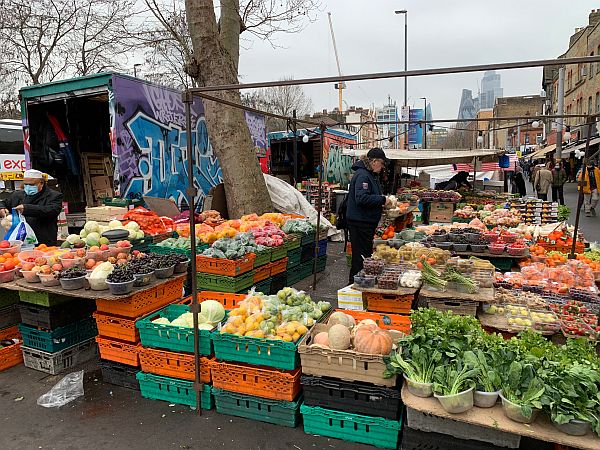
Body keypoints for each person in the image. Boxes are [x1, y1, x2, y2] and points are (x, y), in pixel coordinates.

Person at [346, 148, 390, 284]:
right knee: (361, 258)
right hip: (360, 223)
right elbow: (362, 198)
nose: (382, 167)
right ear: (374, 161)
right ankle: (354, 285)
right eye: (381, 164)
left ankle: (358, 284)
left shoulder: (370, 175)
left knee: (363, 256)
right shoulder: (363, 175)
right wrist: (382, 200)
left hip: (365, 222)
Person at [0, 169, 63, 245]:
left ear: (41, 183)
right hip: (20, 240)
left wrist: (27, 209)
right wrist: (2, 208)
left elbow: (51, 210)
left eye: (31, 185)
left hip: (44, 241)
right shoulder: (17, 195)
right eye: (26, 184)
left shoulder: (54, 196)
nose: (28, 187)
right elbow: (4, 203)